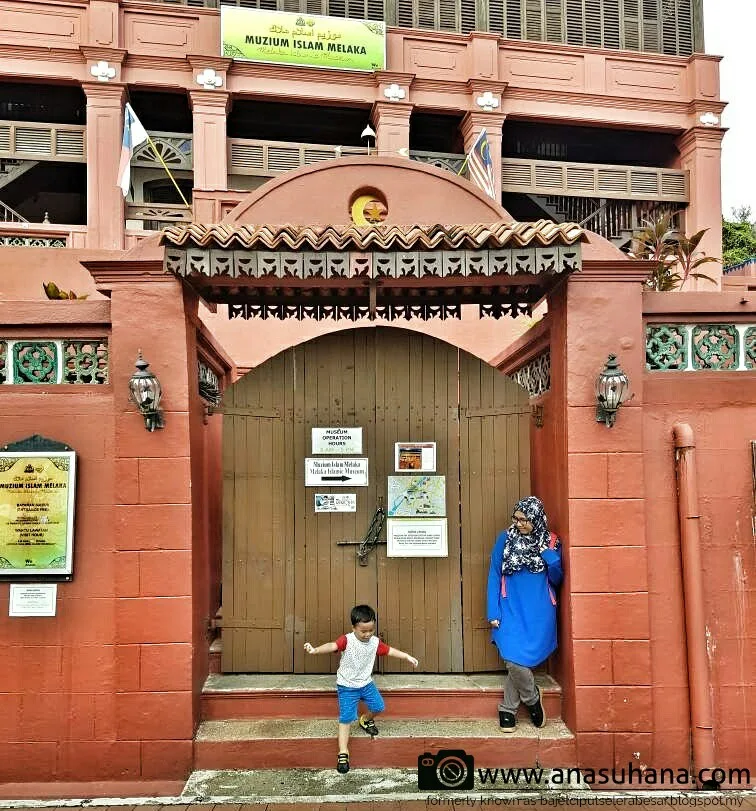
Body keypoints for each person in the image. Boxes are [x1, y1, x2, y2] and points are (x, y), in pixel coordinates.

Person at [304, 604, 419, 774]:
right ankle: (343, 751)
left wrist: (406, 656)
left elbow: (389, 651)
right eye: (363, 631)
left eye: (371, 630)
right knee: (346, 718)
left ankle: (365, 719)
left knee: (379, 706)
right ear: (353, 628)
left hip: (366, 683)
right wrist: (314, 650)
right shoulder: (347, 640)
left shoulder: (374, 642)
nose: (367, 634)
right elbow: (332, 645)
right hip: (347, 686)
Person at [487, 496, 562, 733]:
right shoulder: (505, 539)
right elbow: (494, 575)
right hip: (510, 608)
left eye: (524, 520)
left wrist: (550, 557)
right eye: (516, 518)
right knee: (512, 658)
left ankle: (507, 709)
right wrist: (493, 609)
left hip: (539, 610)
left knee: (517, 662)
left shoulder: (550, 542)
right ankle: (532, 700)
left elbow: (557, 579)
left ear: (537, 519)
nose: (519, 524)